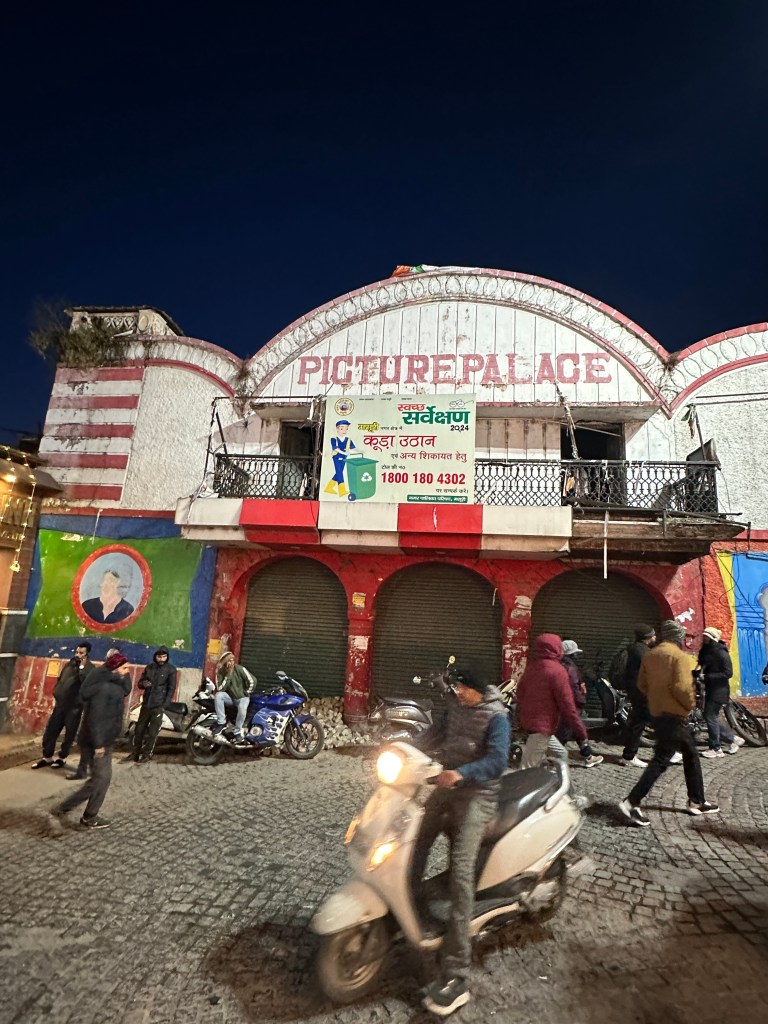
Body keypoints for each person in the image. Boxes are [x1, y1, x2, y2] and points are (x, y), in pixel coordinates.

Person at [409, 662, 510, 1017]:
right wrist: (403, 749)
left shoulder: (497, 717)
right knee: (412, 846)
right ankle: (407, 912)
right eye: (455, 689)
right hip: (447, 786)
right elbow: (435, 734)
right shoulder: (455, 707)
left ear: (476, 689)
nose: (457, 693)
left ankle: (456, 972)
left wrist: (463, 773)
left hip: (478, 796)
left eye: (462, 688)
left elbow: (498, 761)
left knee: (461, 874)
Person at [618, 619, 719, 827]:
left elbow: (641, 684)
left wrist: (657, 699)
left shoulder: (651, 655)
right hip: (674, 715)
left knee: (689, 753)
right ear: (678, 638)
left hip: (657, 712)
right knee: (662, 759)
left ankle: (697, 800)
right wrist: (689, 705)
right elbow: (683, 688)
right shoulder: (679, 657)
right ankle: (631, 801)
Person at [52, 651, 132, 829]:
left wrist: (121, 674)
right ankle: (89, 816)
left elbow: (126, 689)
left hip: (101, 738)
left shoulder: (114, 682)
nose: (129, 670)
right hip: (98, 740)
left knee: (97, 779)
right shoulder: (104, 688)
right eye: (125, 667)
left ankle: (65, 807)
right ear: (115, 668)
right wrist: (99, 744)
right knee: (102, 779)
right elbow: (96, 717)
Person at [516, 634, 602, 770]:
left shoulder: (532, 667)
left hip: (533, 723)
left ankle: (562, 789)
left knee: (561, 754)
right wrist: (580, 730)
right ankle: (525, 789)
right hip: (542, 725)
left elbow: (520, 693)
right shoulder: (557, 671)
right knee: (527, 768)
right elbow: (567, 703)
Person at [31, 642, 94, 770]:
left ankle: (62, 758)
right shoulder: (69, 664)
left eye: (81, 653)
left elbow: (87, 685)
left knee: (69, 734)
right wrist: (57, 691)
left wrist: (81, 669)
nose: (77, 655)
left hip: (74, 707)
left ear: (87, 654)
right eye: (76, 652)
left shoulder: (89, 668)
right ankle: (47, 757)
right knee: (51, 731)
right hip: (60, 704)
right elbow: (60, 679)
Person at [555, 640, 604, 768]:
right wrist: (581, 701)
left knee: (578, 730)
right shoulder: (570, 668)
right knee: (565, 733)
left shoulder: (559, 665)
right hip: (571, 705)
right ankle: (553, 760)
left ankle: (588, 756)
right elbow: (575, 687)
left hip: (565, 704)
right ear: (572, 654)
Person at [698, 626, 743, 758]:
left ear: (712, 638)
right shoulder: (707, 651)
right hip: (710, 688)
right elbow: (705, 667)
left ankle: (716, 748)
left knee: (710, 716)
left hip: (719, 690)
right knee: (711, 717)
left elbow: (728, 673)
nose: (703, 638)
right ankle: (732, 739)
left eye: (706, 636)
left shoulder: (721, 652)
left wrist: (707, 677)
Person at [618, 624, 656, 768]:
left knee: (638, 724)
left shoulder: (632, 648)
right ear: (647, 637)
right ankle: (629, 756)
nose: (655, 637)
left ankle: (629, 755)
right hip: (643, 693)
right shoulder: (644, 652)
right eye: (653, 635)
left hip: (635, 692)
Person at [133, 647, 177, 763]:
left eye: (164, 657)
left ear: (167, 657)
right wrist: (143, 684)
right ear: (155, 656)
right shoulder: (149, 668)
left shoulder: (171, 670)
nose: (161, 659)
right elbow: (140, 683)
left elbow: (171, 689)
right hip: (147, 703)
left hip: (158, 705)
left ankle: (147, 755)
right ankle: (135, 753)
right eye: (159, 657)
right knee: (139, 730)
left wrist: (164, 705)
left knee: (153, 732)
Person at [213, 652, 256, 742]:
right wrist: (228, 675)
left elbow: (253, 680)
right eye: (229, 661)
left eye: (232, 660)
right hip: (230, 698)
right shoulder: (220, 673)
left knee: (242, 709)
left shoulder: (240, 669)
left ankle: (237, 731)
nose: (231, 662)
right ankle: (221, 722)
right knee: (218, 696)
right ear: (225, 663)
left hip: (242, 698)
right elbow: (220, 688)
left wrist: (247, 692)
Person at [324, 420, 356, 497]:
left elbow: (353, 449)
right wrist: (344, 452)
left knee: (339, 472)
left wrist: (362, 451)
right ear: (337, 429)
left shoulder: (348, 440)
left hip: (344, 458)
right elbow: (335, 448)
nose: (344, 431)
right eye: (342, 429)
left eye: (346, 429)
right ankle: (342, 490)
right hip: (336, 457)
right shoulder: (334, 439)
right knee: (340, 473)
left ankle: (329, 487)